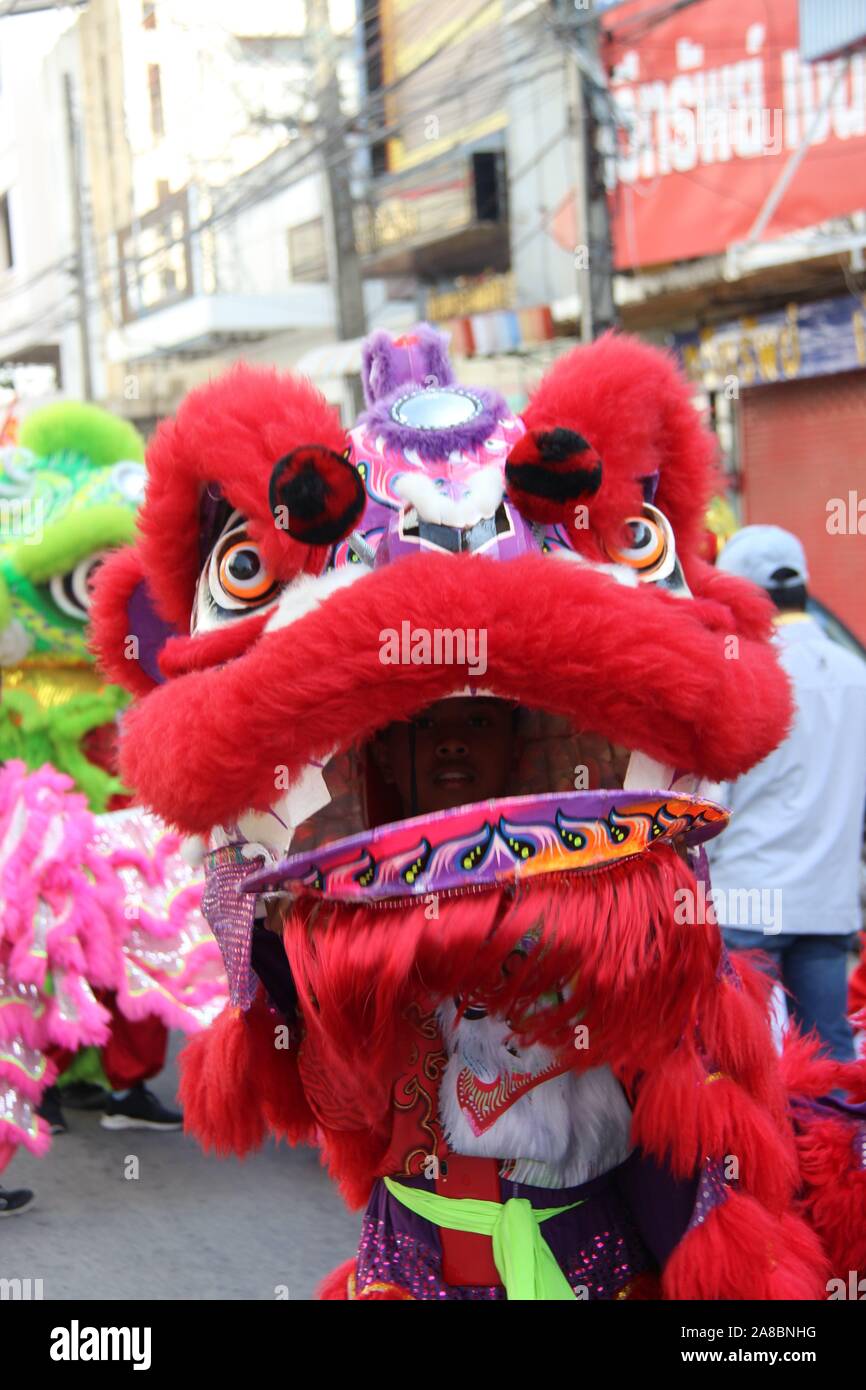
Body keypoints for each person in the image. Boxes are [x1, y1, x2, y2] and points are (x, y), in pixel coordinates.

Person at [707, 524, 866, 1062]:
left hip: (746, 900)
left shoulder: (744, 674)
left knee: (734, 1059)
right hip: (827, 904)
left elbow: (712, 801)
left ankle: (746, 1152)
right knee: (828, 1056)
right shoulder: (857, 675)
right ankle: (838, 1149)